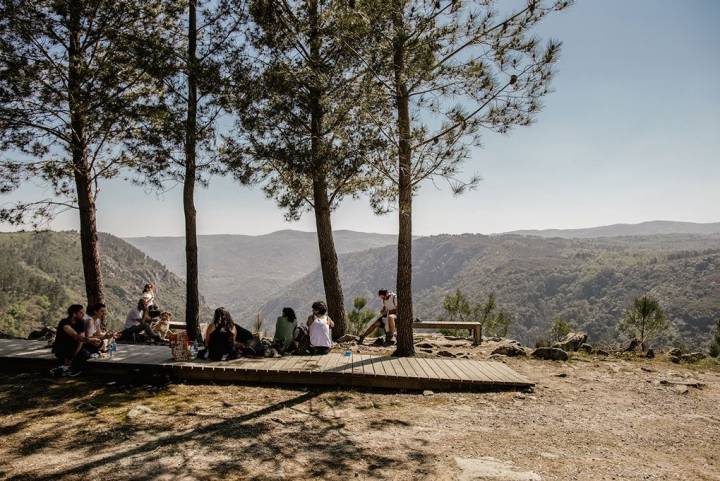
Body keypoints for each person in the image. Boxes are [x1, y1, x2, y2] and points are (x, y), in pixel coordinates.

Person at [51, 304, 101, 376]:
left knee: (93, 347)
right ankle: (70, 369)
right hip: (63, 349)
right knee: (85, 352)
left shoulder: (81, 322)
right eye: (81, 312)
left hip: (76, 347)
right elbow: (76, 336)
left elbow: (82, 338)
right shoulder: (64, 323)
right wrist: (91, 340)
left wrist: (75, 353)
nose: (83, 314)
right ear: (74, 314)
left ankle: (71, 365)